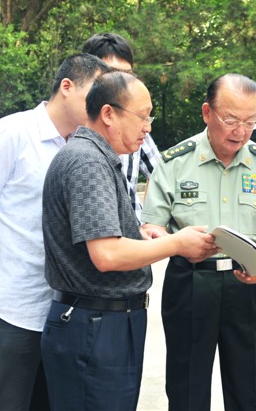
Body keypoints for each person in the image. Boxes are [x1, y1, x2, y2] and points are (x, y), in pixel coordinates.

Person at [40, 71, 218, 410]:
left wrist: (138, 236)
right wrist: (176, 244)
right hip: (94, 325)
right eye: (142, 116)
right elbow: (106, 254)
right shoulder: (87, 163)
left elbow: (105, 239)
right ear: (109, 114)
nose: (148, 126)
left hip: (103, 323)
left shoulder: (96, 158)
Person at [0, 53, 109, 411]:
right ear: (66, 87)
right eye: (95, 93)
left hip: (62, 307)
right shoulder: (10, 135)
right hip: (10, 310)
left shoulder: (83, 147)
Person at [142, 74, 256, 411]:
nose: (241, 130)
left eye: (250, 121)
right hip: (190, 280)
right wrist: (176, 242)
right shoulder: (176, 161)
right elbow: (152, 225)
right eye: (231, 119)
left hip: (245, 283)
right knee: (187, 384)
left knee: (247, 385)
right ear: (207, 112)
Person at [83, 32, 161, 221]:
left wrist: (149, 221)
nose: (122, 82)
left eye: (128, 74)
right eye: (112, 73)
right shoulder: (78, 135)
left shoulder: (137, 127)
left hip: (134, 238)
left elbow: (161, 175)